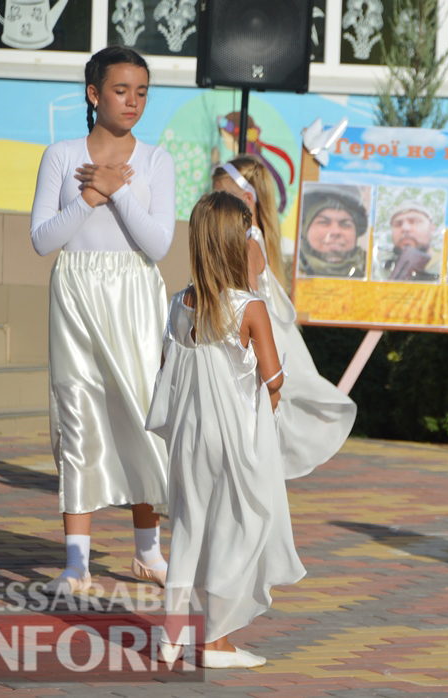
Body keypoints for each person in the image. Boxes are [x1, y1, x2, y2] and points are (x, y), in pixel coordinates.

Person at [30, 46, 175, 594]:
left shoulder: (158, 161)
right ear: (94, 94)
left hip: (135, 293)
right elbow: (43, 239)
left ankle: (147, 553)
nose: (132, 101)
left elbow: (158, 245)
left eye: (141, 91)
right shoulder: (61, 155)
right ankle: (76, 565)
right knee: (77, 414)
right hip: (75, 291)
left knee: (141, 415)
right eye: (121, 90)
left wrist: (119, 192)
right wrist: (90, 196)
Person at [147, 191, 305, 669]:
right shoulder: (249, 307)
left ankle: (172, 635)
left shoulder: (180, 303)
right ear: (240, 246)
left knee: (189, 530)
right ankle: (215, 641)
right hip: (235, 440)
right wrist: (267, 407)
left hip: (190, 438)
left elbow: (165, 369)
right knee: (238, 528)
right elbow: (274, 379)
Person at [212, 156, 356, 477]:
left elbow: (243, 297)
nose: (212, 206)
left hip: (255, 341)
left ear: (246, 200)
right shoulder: (254, 238)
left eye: (218, 197)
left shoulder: (247, 242)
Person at [296, 184, 368, 278]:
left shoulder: (376, 272)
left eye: (345, 224)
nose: (335, 232)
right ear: (304, 229)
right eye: (323, 222)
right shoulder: (283, 274)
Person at [378, 199, 440, 281]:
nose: (405, 228)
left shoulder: (447, 268)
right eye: (398, 224)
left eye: (414, 222)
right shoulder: (378, 267)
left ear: (431, 228)